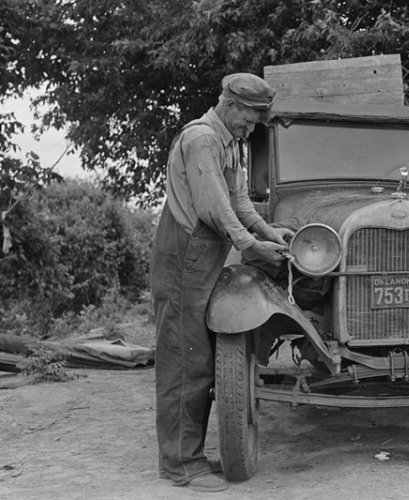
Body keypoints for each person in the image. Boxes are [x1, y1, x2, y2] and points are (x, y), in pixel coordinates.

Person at [150, 73, 293, 492]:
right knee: (184, 361)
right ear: (229, 106)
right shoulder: (203, 140)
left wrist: (269, 233)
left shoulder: (230, 143)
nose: (250, 129)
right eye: (248, 119)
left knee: (199, 356)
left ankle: (188, 455)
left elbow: (239, 201)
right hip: (182, 259)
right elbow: (214, 208)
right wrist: (251, 245)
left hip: (203, 259)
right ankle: (180, 465)